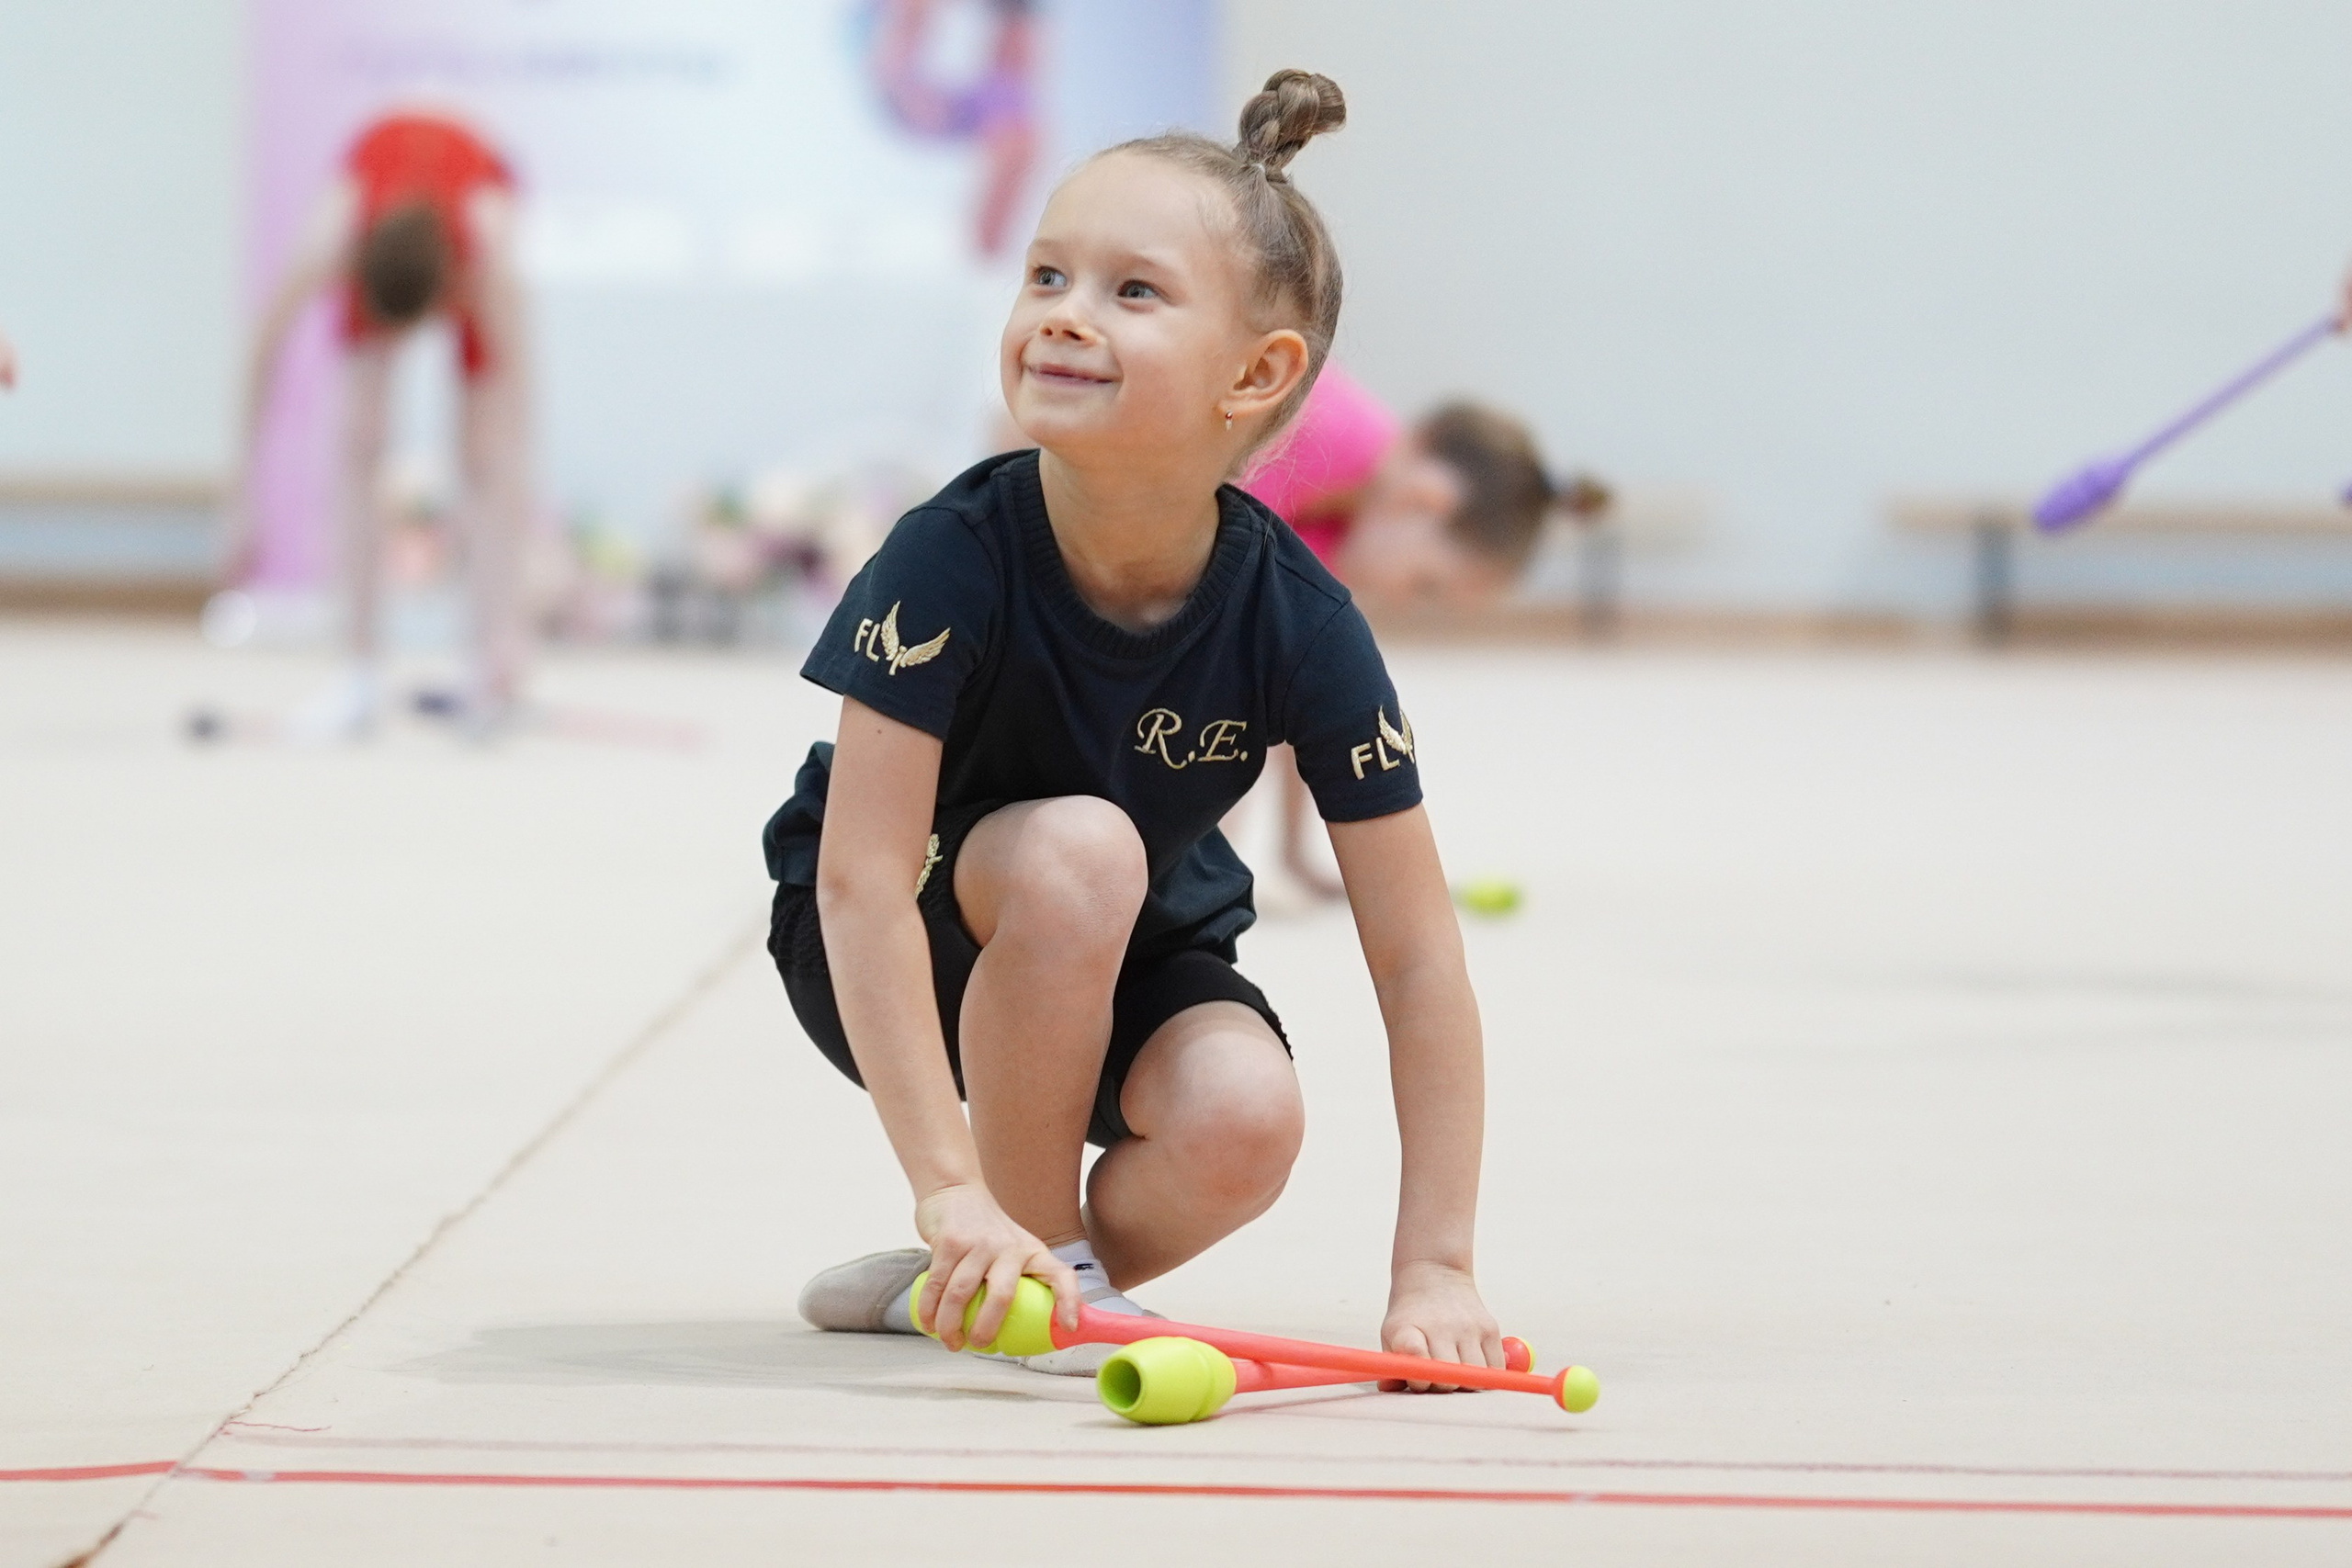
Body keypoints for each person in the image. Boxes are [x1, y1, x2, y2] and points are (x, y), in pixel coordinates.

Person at [768, 70, 1503, 1387]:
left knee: (1244, 1116)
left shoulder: (1301, 618)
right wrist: (948, 1182)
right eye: (1047, 275)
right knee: (1084, 849)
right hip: (907, 946)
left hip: (1122, 950)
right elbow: (861, 880)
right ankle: (1016, 1235)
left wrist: (1436, 1261)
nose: (1062, 317)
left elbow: (1416, 954)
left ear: (1258, 373)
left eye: (1132, 291)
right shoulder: (947, 556)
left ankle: (990, 1283)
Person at [1235, 367, 1611, 897]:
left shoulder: (1342, 521)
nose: (1406, 603)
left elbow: (1299, 691)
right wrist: (1207, 855)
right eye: (1425, 585)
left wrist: (1294, 854)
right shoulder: (1313, 436)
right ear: (1423, 499)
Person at [231, 109, 530, 739]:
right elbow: (264, 348)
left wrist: (514, 614)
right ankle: (359, 671)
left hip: (465, 212)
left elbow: (520, 402)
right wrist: (240, 495)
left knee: (486, 455)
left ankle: (488, 667)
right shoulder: (335, 236)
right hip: (381, 222)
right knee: (357, 443)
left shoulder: (485, 248)